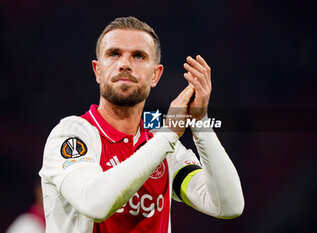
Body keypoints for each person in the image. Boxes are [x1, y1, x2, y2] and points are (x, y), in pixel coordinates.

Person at [39, 16, 244, 233]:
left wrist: (200, 122)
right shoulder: (71, 134)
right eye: (114, 54)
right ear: (97, 71)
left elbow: (228, 205)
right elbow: (95, 204)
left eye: (138, 56)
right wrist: (168, 134)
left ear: (155, 75)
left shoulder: (164, 147)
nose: (125, 64)